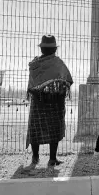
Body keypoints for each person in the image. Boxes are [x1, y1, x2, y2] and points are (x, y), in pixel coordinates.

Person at [26, 35, 73, 167]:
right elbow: (68, 80)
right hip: (55, 102)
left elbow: (31, 87)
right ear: (54, 50)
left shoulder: (34, 65)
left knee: (36, 128)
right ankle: (52, 158)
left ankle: (35, 157)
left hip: (38, 102)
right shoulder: (58, 63)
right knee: (54, 128)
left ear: (41, 49)